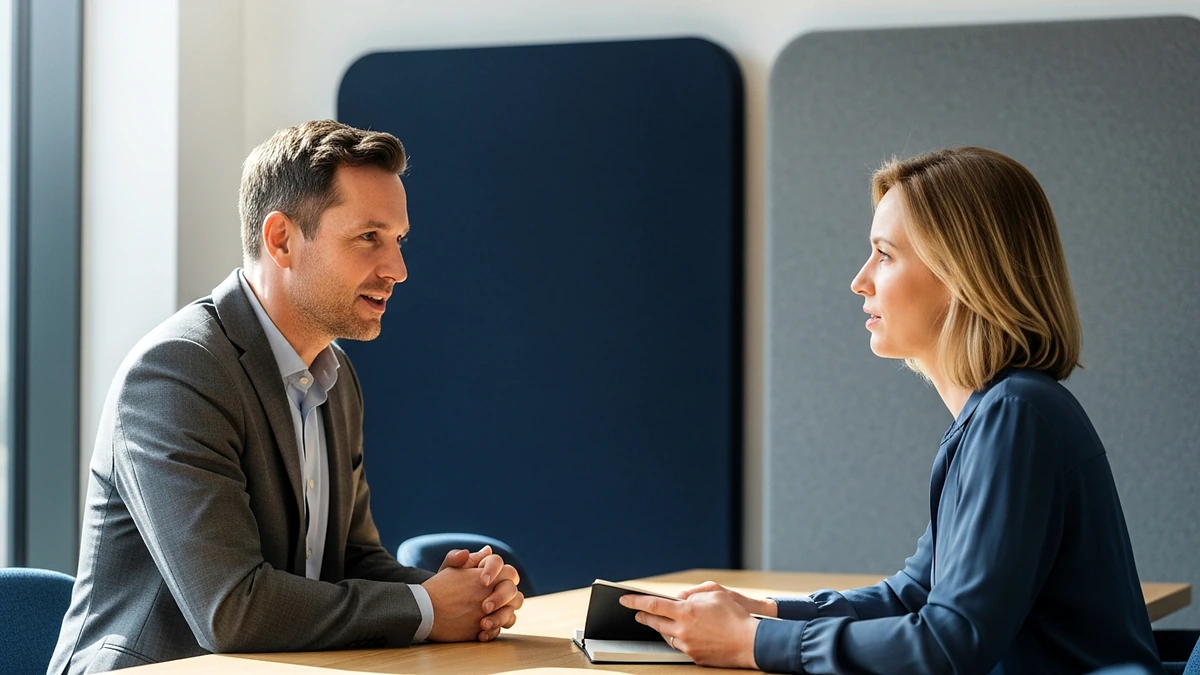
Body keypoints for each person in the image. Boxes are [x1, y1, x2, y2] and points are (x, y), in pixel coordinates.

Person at [620, 147, 1161, 674]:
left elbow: (950, 644)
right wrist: (766, 614)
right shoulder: (996, 415)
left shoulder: (1016, 415)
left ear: (960, 275)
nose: (861, 280)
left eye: (884, 254)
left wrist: (753, 643)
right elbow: (916, 594)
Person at [49, 120, 524, 674]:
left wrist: (465, 597)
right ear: (281, 240)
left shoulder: (334, 374)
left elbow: (352, 562)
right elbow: (231, 608)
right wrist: (427, 608)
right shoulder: (179, 371)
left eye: (398, 240)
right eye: (369, 237)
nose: (397, 269)